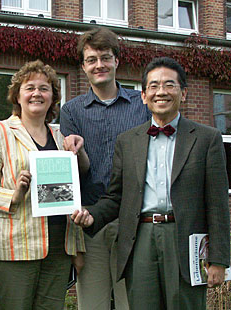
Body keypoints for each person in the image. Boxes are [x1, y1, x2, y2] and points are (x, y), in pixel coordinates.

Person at [72, 57, 230, 310]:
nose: (162, 92)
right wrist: (92, 216)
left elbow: (218, 203)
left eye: (170, 85)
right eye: (154, 86)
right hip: (140, 238)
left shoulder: (206, 138)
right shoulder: (128, 141)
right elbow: (116, 197)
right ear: (144, 96)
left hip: (186, 239)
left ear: (184, 93)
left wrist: (219, 259)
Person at [0, 60, 89, 310]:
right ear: (17, 95)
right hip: (15, 245)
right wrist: (14, 195)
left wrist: (77, 247)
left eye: (44, 88)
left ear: (53, 97)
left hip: (58, 246)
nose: (37, 93)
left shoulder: (60, 137)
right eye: (29, 88)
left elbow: (72, 190)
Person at [60, 26, 151, 310]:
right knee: (93, 303)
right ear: (83, 66)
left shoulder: (142, 104)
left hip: (134, 220)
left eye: (105, 57)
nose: (99, 64)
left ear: (116, 61)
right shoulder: (71, 111)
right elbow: (77, 172)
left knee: (133, 302)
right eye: (91, 59)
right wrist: (78, 152)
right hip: (90, 220)